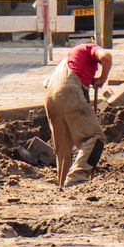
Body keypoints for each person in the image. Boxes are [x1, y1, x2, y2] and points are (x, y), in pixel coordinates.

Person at [45, 41, 111, 187]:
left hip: (50, 97)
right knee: (95, 138)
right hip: (68, 92)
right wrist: (102, 78)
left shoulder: (68, 60)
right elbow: (106, 57)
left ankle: (62, 185)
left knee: (63, 149)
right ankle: (77, 177)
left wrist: (91, 81)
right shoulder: (88, 48)